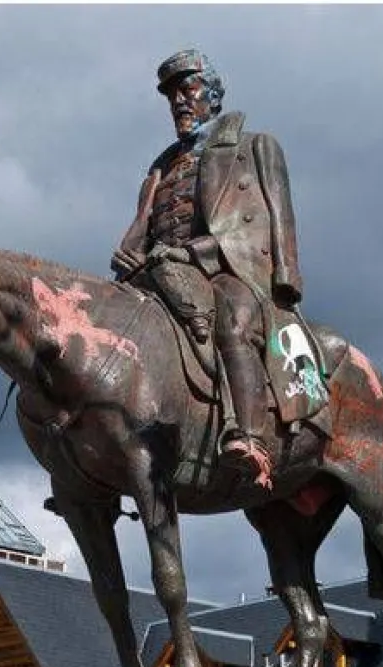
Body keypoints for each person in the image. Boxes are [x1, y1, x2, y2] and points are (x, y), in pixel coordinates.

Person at [112, 49, 304, 488]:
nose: (179, 101)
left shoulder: (254, 146)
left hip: (228, 269)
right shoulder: (161, 166)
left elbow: (270, 219)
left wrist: (285, 279)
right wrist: (129, 253)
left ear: (213, 94)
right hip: (160, 271)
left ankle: (250, 438)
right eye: (171, 95)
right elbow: (144, 226)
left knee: (232, 322)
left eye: (188, 89)